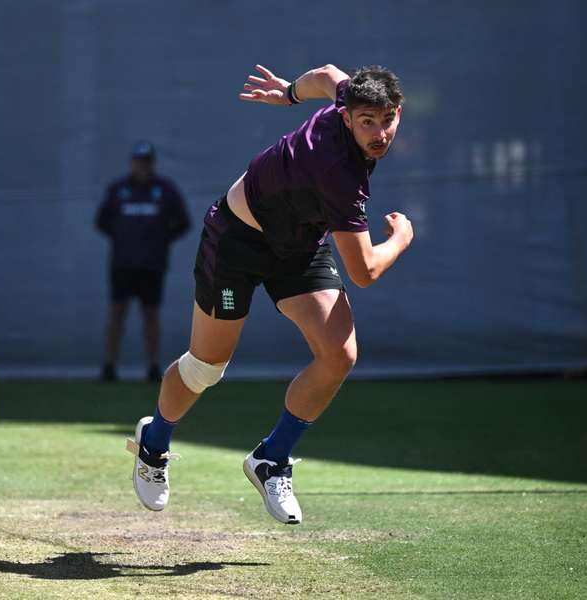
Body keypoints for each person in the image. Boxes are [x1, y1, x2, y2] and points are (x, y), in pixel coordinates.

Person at [126, 64, 414, 524]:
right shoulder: (341, 173)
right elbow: (363, 271)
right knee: (206, 367)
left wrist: (290, 93)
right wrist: (401, 238)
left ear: (397, 112)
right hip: (238, 240)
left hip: (299, 246)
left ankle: (271, 459)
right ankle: (153, 443)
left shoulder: (346, 97)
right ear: (346, 117)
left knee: (338, 355)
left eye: (386, 120)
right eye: (367, 122)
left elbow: (325, 75)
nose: (379, 132)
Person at [95, 141, 190, 383]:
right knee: (117, 313)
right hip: (123, 263)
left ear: (152, 164)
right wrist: (123, 238)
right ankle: (109, 366)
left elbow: (183, 221)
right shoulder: (118, 189)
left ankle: (153, 367)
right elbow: (102, 221)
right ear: (131, 163)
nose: (142, 167)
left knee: (150, 315)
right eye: (138, 162)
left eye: (146, 162)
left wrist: (160, 240)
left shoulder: (164, 190)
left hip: (152, 264)